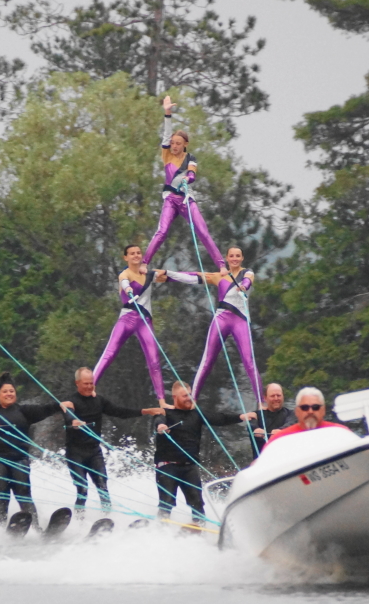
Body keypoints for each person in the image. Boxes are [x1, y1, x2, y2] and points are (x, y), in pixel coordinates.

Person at [93, 244, 213, 408]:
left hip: (145, 321)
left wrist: (206, 278)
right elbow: (124, 281)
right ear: (125, 257)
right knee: (110, 351)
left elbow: (178, 276)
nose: (136, 256)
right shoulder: (124, 273)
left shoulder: (150, 274)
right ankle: (90, 386)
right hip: (127, 318)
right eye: (132, 254)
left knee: (154, 360)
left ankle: (162, 401)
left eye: (138, 253)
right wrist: (128, 291)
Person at [0, 372, 70, 526]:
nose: (9, 394)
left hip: (18, 458)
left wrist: (60, 405)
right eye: (5, 392)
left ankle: (36, 528)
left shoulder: (25, 411)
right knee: (2, 494)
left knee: (24, 493)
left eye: (11, 391)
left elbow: (45, 409)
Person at [62, 367, 164, 517]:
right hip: (75, 453)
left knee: (103, 487)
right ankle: (79, 520)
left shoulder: (99, 401)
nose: (90, 386)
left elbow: (120, 412)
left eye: (92, 383)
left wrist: (145, 411)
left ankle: (107, 518)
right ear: (77, 383)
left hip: (94, 452)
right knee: (82, 489)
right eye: (86, 383)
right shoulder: (71, 401)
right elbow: (68, 417)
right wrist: (74, 422)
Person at [153, 381, 255, 526]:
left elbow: (220, 418)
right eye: (184, 396)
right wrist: (161, 426)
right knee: (167, 503)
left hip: (189, 468)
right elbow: (158, 419)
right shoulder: (165, 412)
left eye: (190, 395)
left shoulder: (197, 414)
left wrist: (241, 417)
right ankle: (159, 531)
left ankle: (200, 531)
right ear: (175, 397)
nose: (188, 398)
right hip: (167, 467)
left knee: (197, 503)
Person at [141, 95, 225, 270]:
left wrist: (188, 178)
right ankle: (144, 263)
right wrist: (168, 113)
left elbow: (193, 173)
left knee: (202, 231)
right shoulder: (167, 156)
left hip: (186, 198)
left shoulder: (190, 158)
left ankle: (221, 265)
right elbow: (165, 135)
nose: (174, 146)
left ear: (185, 144)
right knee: (162, 231)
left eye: (178, 143)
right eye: (173, 143)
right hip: (171, 198)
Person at [191, 246, 264, 409]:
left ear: (242, 258)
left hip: (240, 320)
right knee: (208, 359)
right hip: (222, 318)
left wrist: (244, 286)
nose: (235, 258)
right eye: (232, 256)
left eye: (238, 256)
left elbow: (249, 279)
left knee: (249, 361)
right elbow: (194, 277)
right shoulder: (219, 276)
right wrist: (166, 275)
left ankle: (261, 402)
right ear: (227, 258)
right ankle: (193, 399)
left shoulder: (247, 272)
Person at [262, 387, 350, 450]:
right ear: (297, 411)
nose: (310, 411)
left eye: (315, 407)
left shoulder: (340, 433)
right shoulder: (279, 440)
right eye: (304, 407)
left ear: (323, 410)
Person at [247, 383, 296, 457]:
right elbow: (251, 424)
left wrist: (281, 430)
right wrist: (256, 429)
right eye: (272, 396)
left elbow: (291, 422)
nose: (276, 398)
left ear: (283, 396)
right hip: (262, 462)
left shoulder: (291, 413)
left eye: (278, 395)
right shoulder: (256, 415)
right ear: (265, 398)